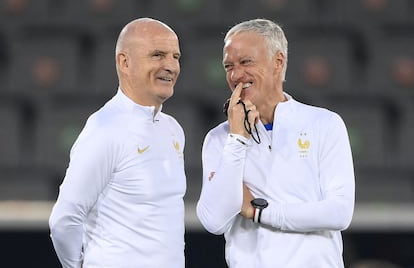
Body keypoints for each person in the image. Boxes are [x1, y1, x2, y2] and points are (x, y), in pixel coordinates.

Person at [196, 18, 355, 268]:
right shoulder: (220, 139)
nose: (236, 75)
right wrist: (237, 139)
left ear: (277, 62)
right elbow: (213, 221)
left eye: (246, 62)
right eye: (229, 66)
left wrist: (259, 212)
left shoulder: (324, 124)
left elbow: (339, 212)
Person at [49, 18, 186, 268]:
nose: (170, 66)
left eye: (175, 56)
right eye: (157, 55)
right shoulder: (105, 130)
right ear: (124, 62)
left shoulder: (173, 130)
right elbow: (64, 219)